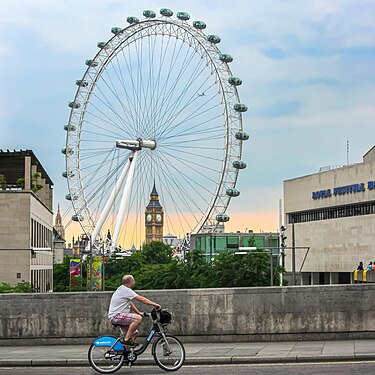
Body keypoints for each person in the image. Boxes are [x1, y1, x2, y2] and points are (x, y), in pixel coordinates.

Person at [108, 274, 160, 347]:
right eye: (133, 281)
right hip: (116, 316)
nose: (134, 282)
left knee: (135, 333)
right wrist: (155, 304)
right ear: (130, 281)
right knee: (137, 318)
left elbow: (130, 304)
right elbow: (141, 299)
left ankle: (126, 352)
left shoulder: (122, 289)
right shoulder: (126, 290)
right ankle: (126, 340)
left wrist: (138, 312)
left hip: (117, 316)